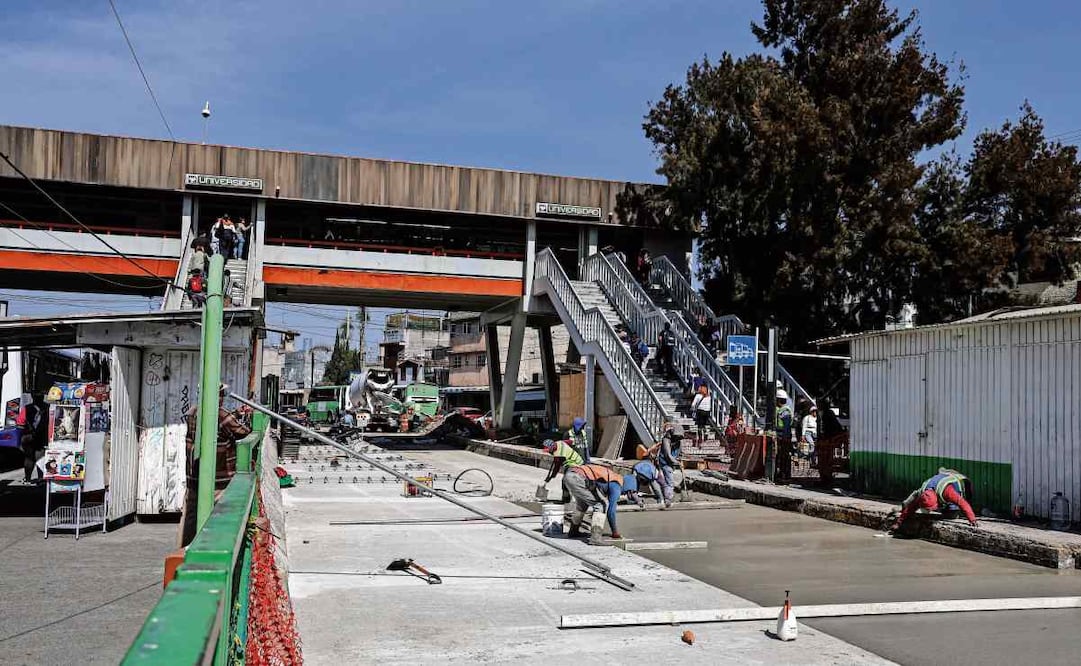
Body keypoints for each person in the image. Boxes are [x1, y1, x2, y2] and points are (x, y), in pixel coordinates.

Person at [180, 385, 252, 546]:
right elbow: (243, 432)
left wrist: (235, 414)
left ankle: (183, 551)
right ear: (216, 396)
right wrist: (244, 417)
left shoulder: (193, 411)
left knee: (190, 518)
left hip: (194, 477)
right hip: (218, 479)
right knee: (219, 519)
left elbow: (219, 427)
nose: (222, 398)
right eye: (221, 395)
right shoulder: (220, 414)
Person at [890, 470, 979, 532]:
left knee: (951, 515)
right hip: (940, 481)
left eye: (930, 508)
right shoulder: (922, 494)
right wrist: (898, 523)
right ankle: (901, 506)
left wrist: (972, 519)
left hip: (960, 482)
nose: (930, 510)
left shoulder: (947, 492)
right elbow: (910, 508)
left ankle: (955, 511)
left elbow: (962, 503)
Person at [562, 463, 627, 542]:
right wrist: (615, 532)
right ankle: (595, 538)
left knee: (582, 505)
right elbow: (611, 511)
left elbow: (594, 490)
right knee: (601, 504)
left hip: (570, 475)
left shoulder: (609, 477)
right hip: (578, 477)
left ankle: (573, 531)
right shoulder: (617, 485)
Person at [16, 398, 45, 483]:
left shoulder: (26, 408)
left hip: (28, 436)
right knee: (40, 457)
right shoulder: (47, 407)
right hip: (41, 436)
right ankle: (41, 478)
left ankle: (27, 478)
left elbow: (20, 423)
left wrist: (19, 440)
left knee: (29, 458)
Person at [774, 389, 794, 482]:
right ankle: (781, 474)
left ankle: (784, 476)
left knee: (784, 457)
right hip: (781, 435)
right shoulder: (780, 410)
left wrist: (785, 438)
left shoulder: (785, 411)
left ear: (779, 400)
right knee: (780, 456)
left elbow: (786, 426)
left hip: (784, 436)